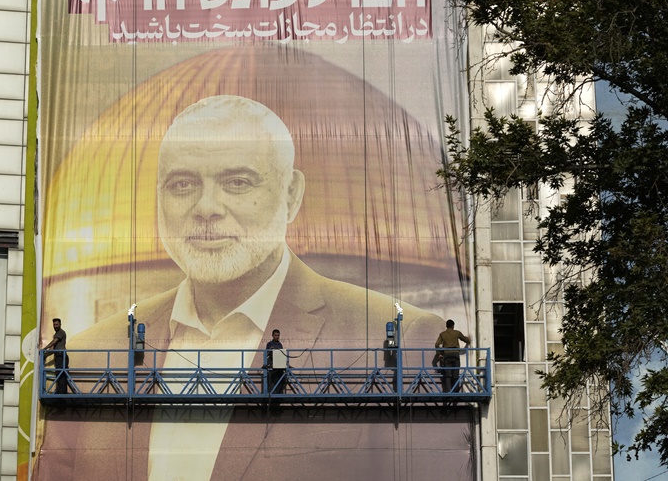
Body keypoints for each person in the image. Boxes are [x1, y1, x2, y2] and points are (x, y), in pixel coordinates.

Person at [37, 95, 446, 479]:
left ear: (291, 195)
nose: (207, 208)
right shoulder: (87, 359)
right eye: (182, 184)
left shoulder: (398, 337)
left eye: (237, 182)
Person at [435, 319, 471, 393]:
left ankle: (448, 391)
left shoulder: (442, 334)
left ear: (446, 326)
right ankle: (456, 390)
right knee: (455, 374)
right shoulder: (457, 333)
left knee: (447, 374)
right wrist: (469, 340)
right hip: (455, 354)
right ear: (453, 326)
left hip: (447, 355)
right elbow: (465, 339)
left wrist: (439, 353)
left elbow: (437, 344)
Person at [43, 318, 69, 394]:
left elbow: (54, 342)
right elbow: (53, 348)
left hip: (61, 356)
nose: (55, 326)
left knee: (61, 374)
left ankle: (62, 392)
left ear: (60, 324)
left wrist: (45, 348)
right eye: (54, 325)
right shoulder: (56, 334)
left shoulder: (61, 332)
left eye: (57, 324)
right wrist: (45, 354)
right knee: (59, 373)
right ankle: (60, 391)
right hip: (58, 356)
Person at [265, 328, 285, 395]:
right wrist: (270, 350)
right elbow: (266, 354)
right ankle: (273, 394)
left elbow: (282, 354)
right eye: (276, 335)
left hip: (279, 366)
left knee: (281, 380)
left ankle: (279, 393)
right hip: (272, 366)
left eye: (278, 335)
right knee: (272, 381)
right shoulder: (269, 344)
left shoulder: (280, 345)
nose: (277, 337)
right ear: (272, 336)